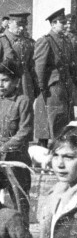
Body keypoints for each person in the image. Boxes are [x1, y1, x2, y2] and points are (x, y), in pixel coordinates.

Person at [33, 9, 77, 145]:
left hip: (65, 86)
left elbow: (72, 65)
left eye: (66, 23)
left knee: (64, 119)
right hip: (52, 87)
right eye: (62, 23)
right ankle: (53, 149)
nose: (66, 25)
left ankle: (58, 147)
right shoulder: (45, 41)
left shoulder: (66, 41)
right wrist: (42, 88)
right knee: (55, 120)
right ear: (53, 24)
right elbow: (40, 67)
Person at [0, 59, 33, 220]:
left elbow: (25, 131)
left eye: (5, 80)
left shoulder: (23, 101)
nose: (0, 84)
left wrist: (4, 148)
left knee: (20, 200)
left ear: (16, 81)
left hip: (15, 159)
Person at [0, 13, 38, 101]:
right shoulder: (2, 41)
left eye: (24, 25)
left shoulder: (29, 42)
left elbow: (33, 66)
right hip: (7, 87)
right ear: (9, 23)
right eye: (19, 25)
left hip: (26, 86)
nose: (22, 28)